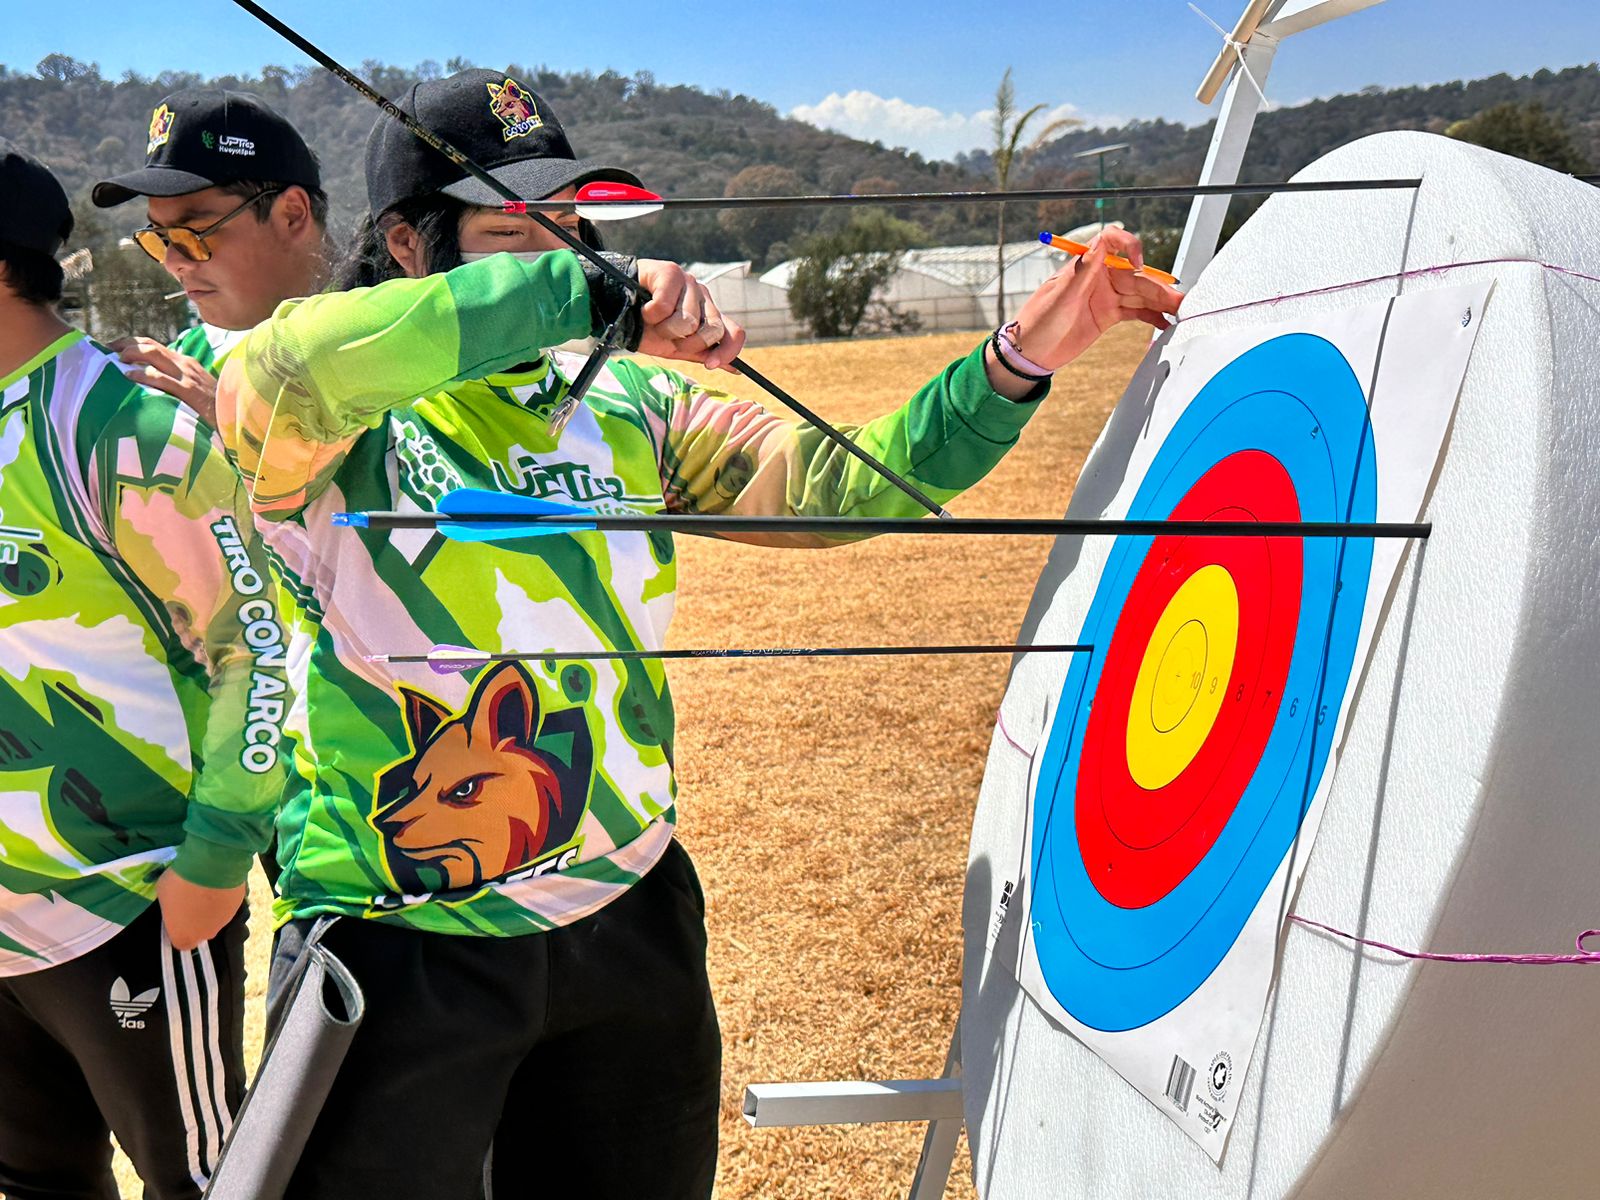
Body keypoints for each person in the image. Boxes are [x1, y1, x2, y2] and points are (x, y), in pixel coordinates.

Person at [214, 69, 1181, 1200]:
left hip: (628, 919)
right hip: (396, 940)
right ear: (406, 244)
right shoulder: (333, 423)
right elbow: (289, 363)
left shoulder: (630, 404)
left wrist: (1023, 353)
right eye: (512, 230)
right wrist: (582, 291)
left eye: (569, 223)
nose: (559, 248)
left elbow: (835, 485)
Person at [0, 140, 289, 1197]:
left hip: (128, 904)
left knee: (205, 1183)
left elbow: (254, 650)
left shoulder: (121, 426)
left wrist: (212, 864)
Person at [92, 88, 330, 424]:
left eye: (193, 233)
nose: (172, 263)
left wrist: (226, 419)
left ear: (292, 214)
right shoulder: (190, 358)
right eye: (161, 238)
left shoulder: (393, 334)